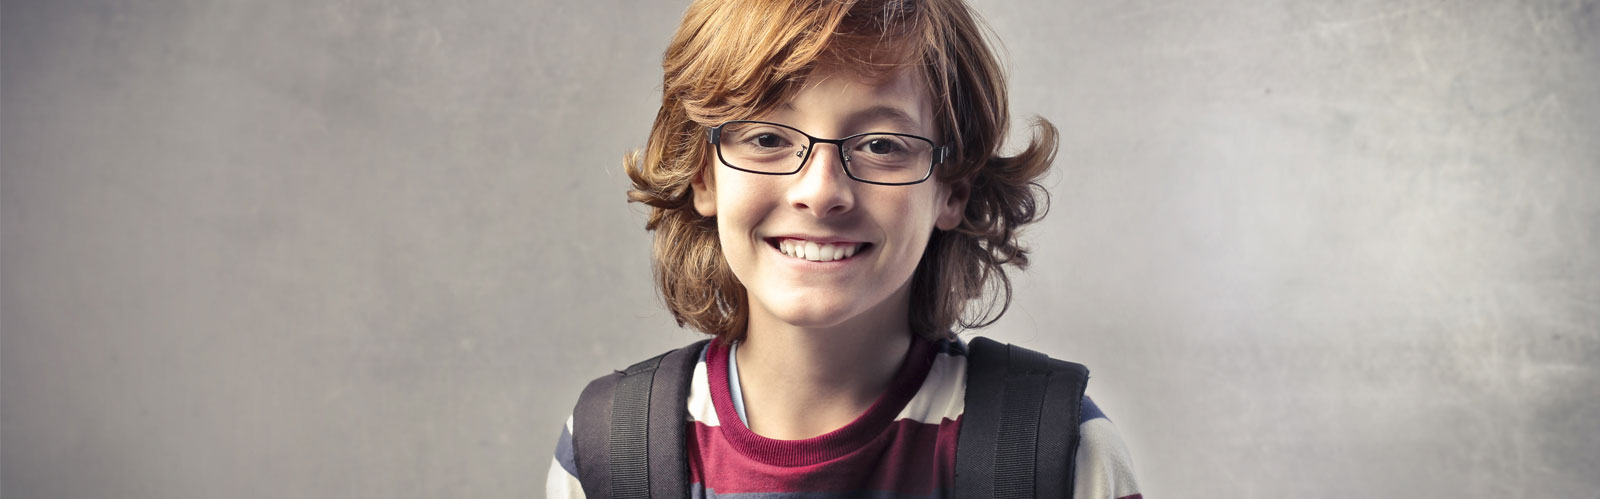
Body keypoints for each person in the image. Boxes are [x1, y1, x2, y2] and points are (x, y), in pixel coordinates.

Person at [548, 0, 1141, 497]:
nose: (821, 191)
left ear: (951, 190)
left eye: (882, 144)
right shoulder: (609, 449)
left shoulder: (1058, 454)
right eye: (766, 137)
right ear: (703, 174)